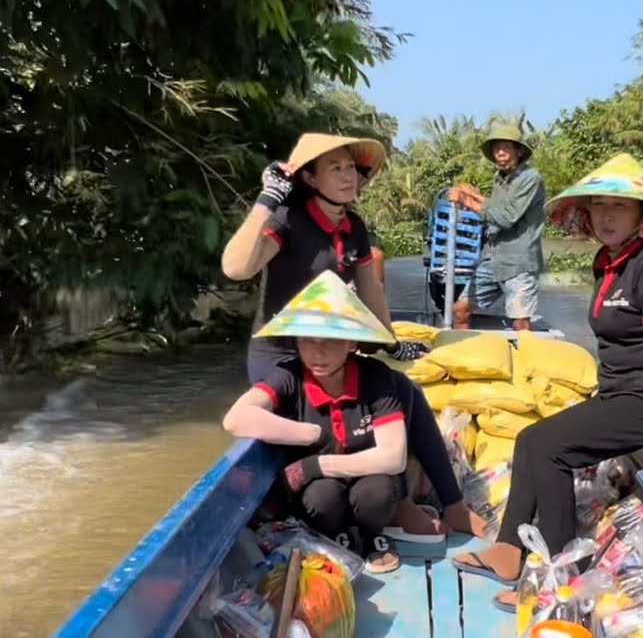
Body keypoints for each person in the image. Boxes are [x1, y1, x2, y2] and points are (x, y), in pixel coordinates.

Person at [452, 153, 643, 592]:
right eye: (599, 207)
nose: (607, 217)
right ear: (586, 215)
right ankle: (509, 551)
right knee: (530, 438)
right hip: (619, 394)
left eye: (619, 206)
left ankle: (558, 574)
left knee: (551, 449)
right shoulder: (610, 261)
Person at [221, 133, 485, 537]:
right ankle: (361, 507)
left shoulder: (353, 226)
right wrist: (267, 200)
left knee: (404, 391)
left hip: (331, 340)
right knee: (323, 427)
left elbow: (370, 291)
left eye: (352, 168)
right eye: (335, 168)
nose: (349, 177)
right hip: (282, 350)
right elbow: (236, 268)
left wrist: (389, 345)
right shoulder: (288, 218)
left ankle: (448, 504)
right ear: (309, 177)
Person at [221, 270, 414, 573]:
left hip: (368, 477)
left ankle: (367, 536)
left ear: (351, 343)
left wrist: (315, 465)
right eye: (307, 341)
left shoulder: (376, 377)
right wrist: (309, 433)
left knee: (377, 492)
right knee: (322, 499)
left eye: (331, 342)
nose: (318, 352)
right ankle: (336, 537)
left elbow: (393, 457)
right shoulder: (288, 375)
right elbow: (236, 419)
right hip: (322, 490)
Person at [447, 123, 546, 331]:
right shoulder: (499, 179)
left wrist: (467, 202)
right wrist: (473, 194)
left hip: (519, 263)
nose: (499, 152)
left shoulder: (530, 178)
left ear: (519, 151)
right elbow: (496, 206)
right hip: (493, 259)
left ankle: (525, 360)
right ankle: (462, 357)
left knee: (520, 322)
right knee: (460, 310)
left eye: (505, 147)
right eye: (496, 148)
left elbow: (507, 217)